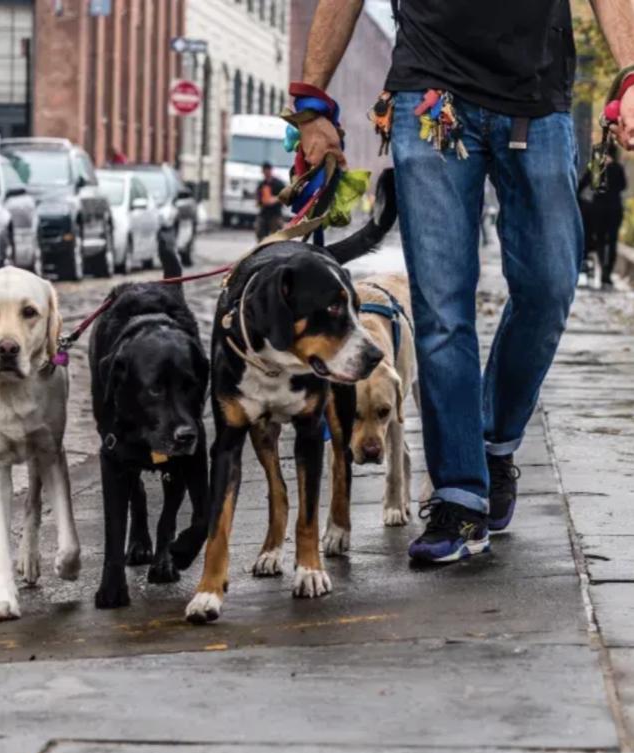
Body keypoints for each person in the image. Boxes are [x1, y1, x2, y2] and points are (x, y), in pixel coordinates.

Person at [296, 0, 634, 563]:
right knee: (441, 309)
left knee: (549, 287)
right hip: (431, 94)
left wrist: (630, 74)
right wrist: (312, 104)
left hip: (535, 96)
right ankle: (458, 497)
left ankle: (494, 441)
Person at [580, 145, 627, 288]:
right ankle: (607, 273)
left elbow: (584, 184)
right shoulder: (618, 167)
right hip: (614, 208)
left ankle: (604, 269)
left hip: (598, 209)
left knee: (600, 240)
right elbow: (623, 186)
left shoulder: (596, 166)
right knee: (612, 240)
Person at [255, 162, 286, 241]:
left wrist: (275, 199)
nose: (266, 173)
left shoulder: (278, 184)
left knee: (277, 236)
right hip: (264, 213)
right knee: (260, 233)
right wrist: (260, 201)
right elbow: (258, 198)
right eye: (264, 171)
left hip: (275, 213)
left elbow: (285, 195)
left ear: (270, 170)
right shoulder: (262, 184)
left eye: (267, 170)